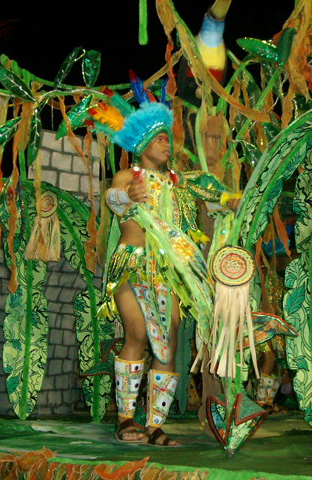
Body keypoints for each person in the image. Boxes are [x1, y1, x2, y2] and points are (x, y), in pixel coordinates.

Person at [92, 87, 236, 446]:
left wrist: (231, 202)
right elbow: (114, 198)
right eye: (159, 139)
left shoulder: (179, 184)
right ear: (142, 143)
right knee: (137, 334)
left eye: (167, 139)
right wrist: (128, 196)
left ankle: (155, 425)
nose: (166, 144)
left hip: (168, 273)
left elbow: (214, 199)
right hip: (133, 266)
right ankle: (125, 419)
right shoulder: (128, 178)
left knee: (167, 344)